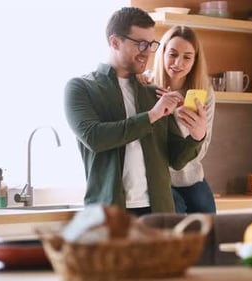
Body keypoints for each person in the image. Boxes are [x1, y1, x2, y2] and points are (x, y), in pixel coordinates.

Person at [64, 7, 207, 216]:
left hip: (159, 213)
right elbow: (94, 137)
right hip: (110, 216)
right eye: (140, 44)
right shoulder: (80, 88)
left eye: (151, 44)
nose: (147, 51)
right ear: (114, 42)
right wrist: (152, 116)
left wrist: (197, 135)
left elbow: (176, 159)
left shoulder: (153, 93)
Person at [147, 25, 217, 213]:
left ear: (195, 61)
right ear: (162, 53)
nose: (178, 63)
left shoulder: (204, 93)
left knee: (209, 234)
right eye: (173, 54)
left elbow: (200, 151)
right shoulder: (146, 85)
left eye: (187, 57)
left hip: (191, 178)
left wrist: (197, 132)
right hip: (158, 181)